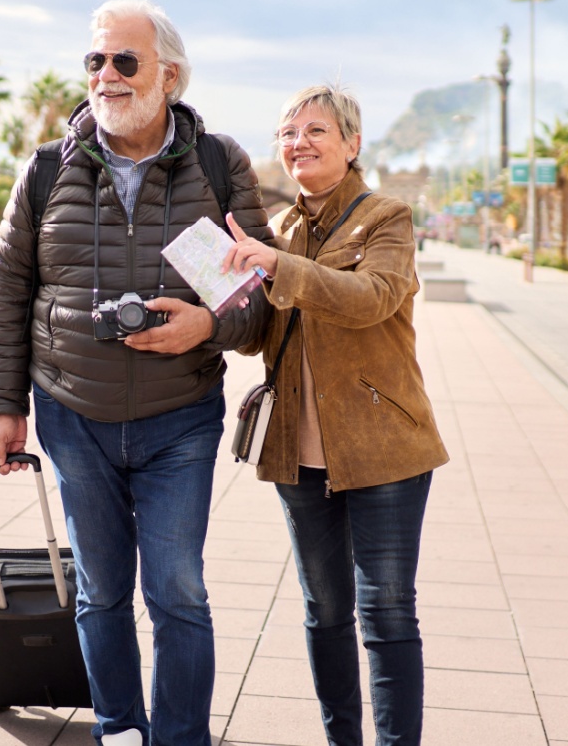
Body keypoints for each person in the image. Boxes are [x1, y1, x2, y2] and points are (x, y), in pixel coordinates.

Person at [0, 0, 273, 746]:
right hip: (73, 416)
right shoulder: (49, 167)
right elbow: (11, 286)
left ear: (168, 75)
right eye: (94, 61)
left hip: (180, 416)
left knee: (177, 591)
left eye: (124, 61)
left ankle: (178, 738)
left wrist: (209, 324)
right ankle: (119, 728)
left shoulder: (219, 163)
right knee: (101, 592)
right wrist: (4, 406)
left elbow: (258, 297)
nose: (104, 76)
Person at [222, 83, 449, 746]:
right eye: (289, 134)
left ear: (352, 144)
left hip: (385, 450)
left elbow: (372, 298)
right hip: (298, 452)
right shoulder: (279, 230)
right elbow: (261, 337)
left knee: (387, 613)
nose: (300, 144)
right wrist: (218, 301)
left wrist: (278, 267)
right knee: (324, 614)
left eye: (316, 131)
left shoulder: (387, 217)